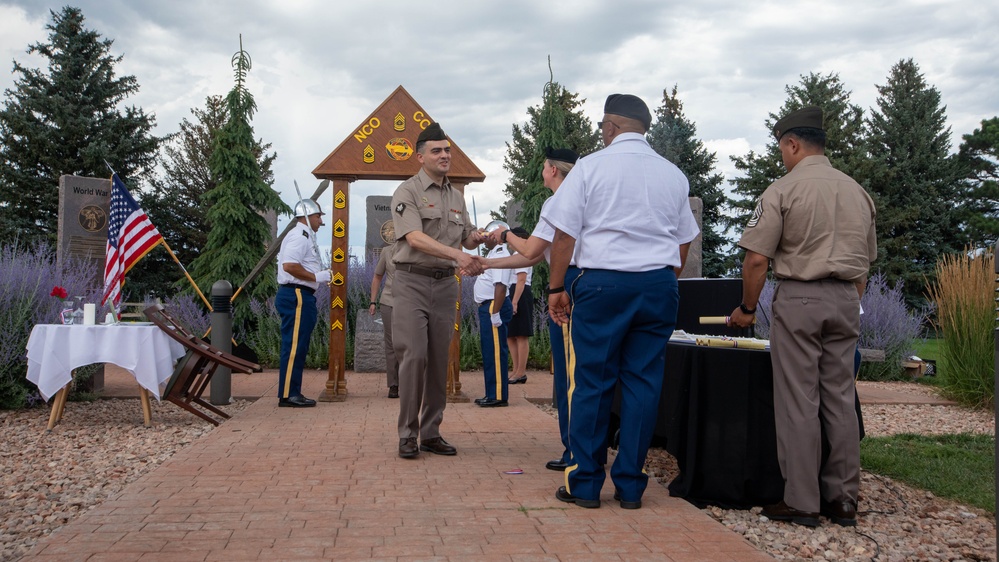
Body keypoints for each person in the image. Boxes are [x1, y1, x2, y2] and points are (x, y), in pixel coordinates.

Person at [544, 94, 699, 509]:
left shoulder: (592, 166)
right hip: (658, 284)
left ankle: (587, 483)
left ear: (610, 127)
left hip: (603, 285)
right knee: (643, 384)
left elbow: (564, 234)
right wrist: (665, 279)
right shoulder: (673, 174)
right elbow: (685, 239)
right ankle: (631, 485)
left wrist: (556, 287)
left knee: (592, 381)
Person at [727, 106, 877, 528]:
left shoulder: (782, 190)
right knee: (840, 398)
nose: (782, 157)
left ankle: (802, 500)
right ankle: (844, 499)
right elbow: (864, 263)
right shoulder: (857, 192)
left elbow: (756, 259)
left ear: (792, 143)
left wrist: (748, 308)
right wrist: (848, 298)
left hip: (800, 298)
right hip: (847, 299)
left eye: (781, 149)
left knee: (799, 400)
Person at [391, 122, 485, 459]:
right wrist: (458, 254)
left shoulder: (456, 196)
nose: (445, 155)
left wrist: (478, 238)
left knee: (437, 359)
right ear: (420, 157)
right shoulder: (407, 192)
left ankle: (431, 432)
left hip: (445, 286)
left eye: (447, 150)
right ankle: (407, 434)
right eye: (437, 151)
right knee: (414, 356)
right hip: (411, 283)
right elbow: (414, 238)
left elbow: (467, 235)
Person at [486, 147, 579, 473]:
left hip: (569, 283)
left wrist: (505, 233)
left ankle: (575, 451)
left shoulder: (558, 201)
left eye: (543, 166)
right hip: (586, 281)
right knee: (582, 371)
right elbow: (533, 256)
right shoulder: (584, 196)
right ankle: (581, 447)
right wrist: (488, 262)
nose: (542, 171)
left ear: (552, 169)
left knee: (570, 373)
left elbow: (531, 249)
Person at [275, 198, 331, 408]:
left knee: (298, 344)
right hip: (296, 294)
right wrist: (316, 277)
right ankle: (289, 394)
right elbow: (290, 266)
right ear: (308, 216)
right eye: (318, 216)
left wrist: (319, 277)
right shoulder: (300, 236)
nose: (320, 220)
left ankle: (291, 391)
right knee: (294, 346)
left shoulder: (304, 236)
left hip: (301, 294)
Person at [472, 236, 514, 407]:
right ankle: (491, 393)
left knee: (495, 352)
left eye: (488, 237)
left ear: (497, 240)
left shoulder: (499, 253)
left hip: (493, 306)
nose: (484, 240)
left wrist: (495, 312)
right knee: (490, 351)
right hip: (488, 305)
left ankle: (497, 395)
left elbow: (500, 286)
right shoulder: (492, 253)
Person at [369, 241, 399, 398]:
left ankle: (411, 382)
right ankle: (394, 384)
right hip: (389, 302)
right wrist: (372, 301)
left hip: (413, 303)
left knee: (413, 343)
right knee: (392, 344)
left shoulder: (418, 248)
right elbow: (377, 276)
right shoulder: (387, 251)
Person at [505, 226, 533, 386]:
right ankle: (515, 369)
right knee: (511, 335)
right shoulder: (515, 255)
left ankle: (521, 371)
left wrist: (514, 301)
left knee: (521, 334)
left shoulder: (522, 254)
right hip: (512, 291)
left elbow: (521, 279)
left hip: (520, 293)